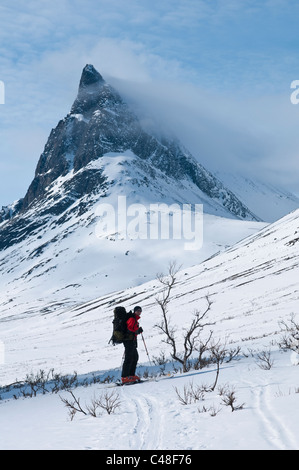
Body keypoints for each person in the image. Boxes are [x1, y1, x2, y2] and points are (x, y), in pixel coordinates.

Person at [121, 306, 143, 384]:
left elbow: (132, 331)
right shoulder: (132, 319)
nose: (139, 312)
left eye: (140, 311)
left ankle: (131, 375)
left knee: (135, 357)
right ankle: (124, 377)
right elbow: (129, 330)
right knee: (129, 358)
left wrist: (137, 331)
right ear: (135, 311)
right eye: (138, 310)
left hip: (132, 341)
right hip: (128, 341)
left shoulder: (135, 319)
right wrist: (137, 331)